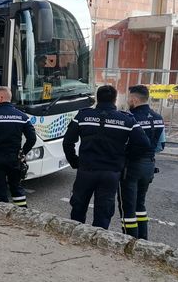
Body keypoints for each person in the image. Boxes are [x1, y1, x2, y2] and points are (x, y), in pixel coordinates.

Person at [62, 85, 150, 230]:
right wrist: (125, 157)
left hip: (86, 171)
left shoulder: (83, 116)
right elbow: (144, 144)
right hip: (111, 173)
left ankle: (76, 237)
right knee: (103, 212)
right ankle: (98, 241)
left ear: (97, 98)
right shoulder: (127, 120)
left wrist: (75, 162)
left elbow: (68, 142)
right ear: (115, 99)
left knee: (78, 207)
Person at [118, 85, 165, 239]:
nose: (127, 100)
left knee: (128, 207)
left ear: (134, 99)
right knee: (140, 204)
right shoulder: (158, 118)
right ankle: (143, 239)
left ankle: (130, 240)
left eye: (128, 98)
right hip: (149, 166)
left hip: (131, 167)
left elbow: (122, 144)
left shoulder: (130, 118)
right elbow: (160, 146)